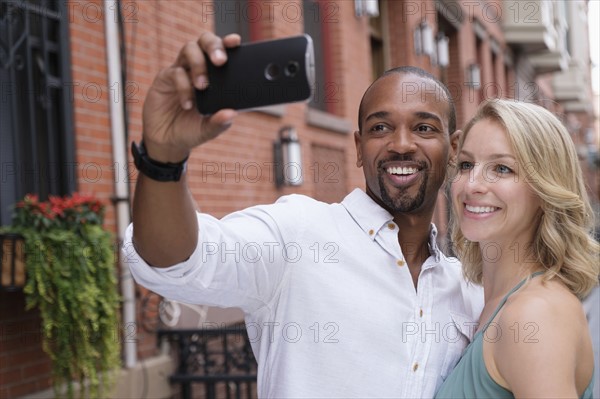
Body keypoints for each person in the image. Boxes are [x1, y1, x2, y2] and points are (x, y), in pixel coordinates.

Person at [124, 30, 483, 398]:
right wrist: (163, 159)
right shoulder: (297, 235)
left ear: (453, 148)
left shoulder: (466, 288)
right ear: (359, 148)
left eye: (423, 128)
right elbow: (175, 261)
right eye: (380, 127)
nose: (401, 144)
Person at [435, 99, 599, 398]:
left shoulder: (532, 315)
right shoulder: (493, 304)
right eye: (467, 164)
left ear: (545, 188)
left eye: (502, 168)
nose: (472, 184)